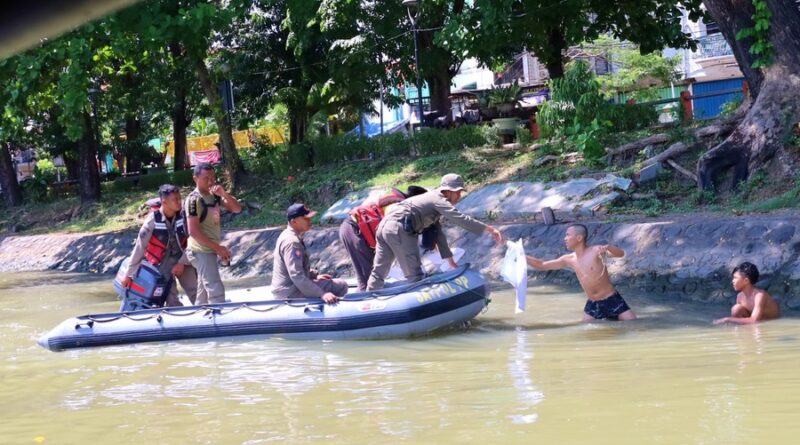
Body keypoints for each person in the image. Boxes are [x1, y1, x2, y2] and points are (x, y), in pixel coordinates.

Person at [366, 173, 504, 290]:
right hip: (399, 229)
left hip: (383, 227)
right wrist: (489, 229)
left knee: (379, 272)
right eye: (458, 192)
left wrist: (450, 263)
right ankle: (420, 311)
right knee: (415, 275)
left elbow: (438, 235)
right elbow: (460, 219)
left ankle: (367, 301)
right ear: (448, 191)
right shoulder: (438, 199)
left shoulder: (431, 201)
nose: (459, 196)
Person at [526, 224, 636, 321]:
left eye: (568, 235)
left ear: (579, 238)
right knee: (585, 329)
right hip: (593, 303)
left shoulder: (595, 251)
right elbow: (541, 265)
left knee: (633, 325)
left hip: (611, 299)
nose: (565, 238)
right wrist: (521, 255)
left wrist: (609, 247)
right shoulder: (568, 259)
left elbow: (620, 254)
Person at [338, 185, 427, 291]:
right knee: (367, 279)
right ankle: (365, 300)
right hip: (354, 230)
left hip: (362, 230)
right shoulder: (399, 208)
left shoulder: (397, 202)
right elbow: (401, 243)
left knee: (374, 273)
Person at [122, 184, 197, 307]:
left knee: (196, 292)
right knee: (171, 299)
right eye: (175, 199)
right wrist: (128, 275)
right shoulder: (151, 222)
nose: (179, 202)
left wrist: (182, 262)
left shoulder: (185, 217)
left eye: (180, 198)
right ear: (164, 202)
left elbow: (193, 241)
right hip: (162, 265)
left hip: (183, 258)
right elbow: (139, 249)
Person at [184, 162, 242, 304]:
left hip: (210, 249)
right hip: (200, 251)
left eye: (213, 177)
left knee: (203, 291)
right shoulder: (193, 200)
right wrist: (218, 249)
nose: (210, 181)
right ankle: (220, 320)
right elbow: (193, 231)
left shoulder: (214, 196)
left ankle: (199, 318)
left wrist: (223, 193)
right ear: (195, 178)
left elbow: (237, 209)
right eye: (206, 178)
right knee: (215, 288)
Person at [272, 203, 348, 304]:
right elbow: (297, 276)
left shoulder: (287, 235)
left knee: (329, 283)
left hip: (287, 289)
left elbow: (296, 268)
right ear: (294, 221)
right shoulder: (292, 242)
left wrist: (314, 275)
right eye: (306, 219)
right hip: (290, 292)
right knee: (341, 285)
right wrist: (322, 294)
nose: (310, 221)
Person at [714, 262, 780, 325]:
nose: (732, 281)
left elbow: (754, 320)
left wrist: (727, 319)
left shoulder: (759, 295)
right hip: (755, 319)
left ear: (746, 281)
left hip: (768, 322)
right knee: (736, 309)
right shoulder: (740, 296)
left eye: (735, 278)